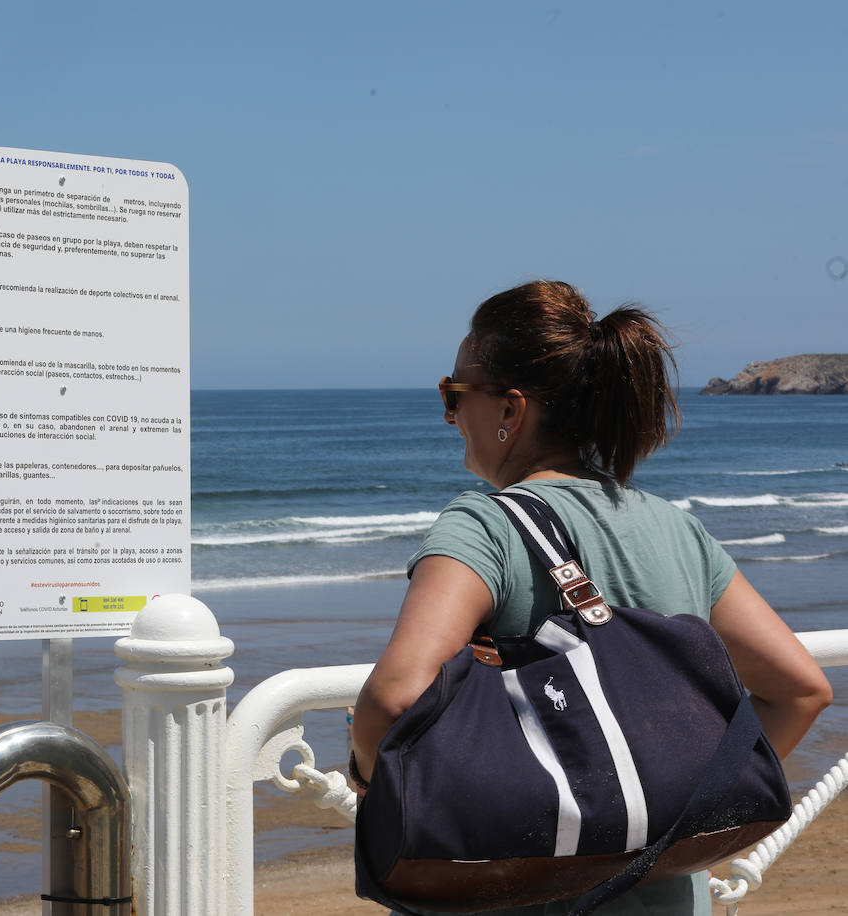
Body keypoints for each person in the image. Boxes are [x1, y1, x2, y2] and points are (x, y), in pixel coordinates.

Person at [351, 280, 832, 914]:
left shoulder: (484, 526)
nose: (448, 415)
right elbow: (803, 690)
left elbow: (395, 697)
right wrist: (686, 801)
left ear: (509, 411)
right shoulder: (674, 525)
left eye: (454, 394)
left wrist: (365, 776)